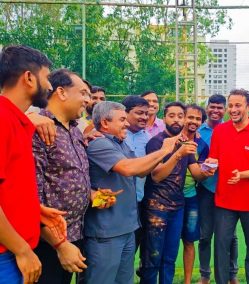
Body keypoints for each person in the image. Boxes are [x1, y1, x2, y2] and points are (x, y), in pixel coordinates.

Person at [83, 101, 178, 284]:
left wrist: (173, 154)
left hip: (127, 227)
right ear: (105, 123)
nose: (127, 123)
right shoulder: (99, 144)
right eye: (122, 120)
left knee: (124, 280)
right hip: (107, 232)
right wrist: (164, 150)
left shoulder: (121, 143)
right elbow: (128, 168)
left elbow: (141, 170)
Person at [0, 45, 64, 284]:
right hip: (7, 254)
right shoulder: (3, 119)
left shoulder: (17, 121)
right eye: (47, 77)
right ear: (29, 77)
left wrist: (33, 208)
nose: (49, 86)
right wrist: (23, 251)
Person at [140, 102, 215, 284]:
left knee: (170, 258)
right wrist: (177, 154)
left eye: (180, 116)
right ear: (164, 117)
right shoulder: (156, 142)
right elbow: (157, 176)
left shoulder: (186, 144)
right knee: (153, 258)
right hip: (156, 207)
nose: (176, 119)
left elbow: (196, 174)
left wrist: (207, 171)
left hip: (178, 206)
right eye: (172, 115)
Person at [207, 89, 249, 284]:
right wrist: (208, 166)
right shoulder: (220, 130)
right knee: (221, 247)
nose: (233, 109)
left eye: (238, 105)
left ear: (248, 107)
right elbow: (214, 158)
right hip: (224, 200)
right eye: (231, 105)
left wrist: (242, 174)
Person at [32, 69, 92, 284]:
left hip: (74, 233)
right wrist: (60, 245)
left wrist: (90, 193)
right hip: (47, 243)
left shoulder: (75, 129)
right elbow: (31, 198)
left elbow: (65, 177)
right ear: (61, 92)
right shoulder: (40, 128)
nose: (88, 99)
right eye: (83, 93)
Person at [196, 94, 239, 284]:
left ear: (226, 110)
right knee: (205, 235)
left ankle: (232, 274)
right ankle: (205, 274)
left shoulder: (233, 130)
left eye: (220, 107)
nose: (215, 111)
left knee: (230, 235)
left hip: (228, 189)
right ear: (206, 108)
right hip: (206, 189)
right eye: (212, 107)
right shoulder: (198, 131)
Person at [180, 104, 208, 284]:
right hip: (166, 198)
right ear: (183, 117)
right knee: (166, 242)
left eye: (198, 119)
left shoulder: (202, 144)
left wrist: (208, 170)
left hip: (190, 197)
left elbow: (201, 174)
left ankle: (188, 281)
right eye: (190, 117)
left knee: (189, 241)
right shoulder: (170, 139)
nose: (193, 121)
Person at [121, 95, 151, 251]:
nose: (144, 117)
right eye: (139, 113)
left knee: (134, 245)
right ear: (125, 113)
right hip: (116, 201)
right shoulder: (114, 135)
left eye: (146, 114)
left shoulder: (149, 138)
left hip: (139, 200)